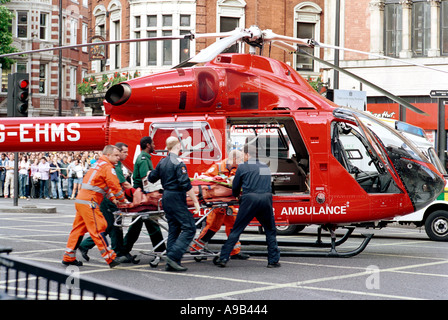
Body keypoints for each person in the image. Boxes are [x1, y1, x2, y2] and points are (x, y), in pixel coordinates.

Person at [214, 144, 280, 268]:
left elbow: (236, 186)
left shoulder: (243, 167)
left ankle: (223, 258)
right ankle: (273, 260)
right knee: (270, 230)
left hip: (249, 199)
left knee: (237, 229)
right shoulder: (265, 166)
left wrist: (236, 196)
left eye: (243, 155)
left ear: (247, 155)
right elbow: (269, 185)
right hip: (266, 198)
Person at [62, 145, 127, 268]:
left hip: (82, 201)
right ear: (108, 155)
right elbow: (115, 186)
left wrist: (113, 199)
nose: (118, 158)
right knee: (98, 228)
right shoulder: (108, 167)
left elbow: (103, 187)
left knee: (78, 230)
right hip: (90, 202)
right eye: (116, 155)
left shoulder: (98, 165)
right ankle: (110, 258)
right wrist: (122, 200)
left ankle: (68, 257)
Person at [78, 142, 137, 264]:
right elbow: (119, 185)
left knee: (114, 226)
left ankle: (119, 252)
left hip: (106, 199)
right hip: (104, 200)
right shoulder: (111, 166)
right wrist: (132, 197)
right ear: (117, 152)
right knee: (109, 226)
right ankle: (90, 247)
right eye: (123, 152)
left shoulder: (114, 164)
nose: (126, 155)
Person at [148, 136, 201, 271]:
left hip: (166, 197)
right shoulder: (178, 162)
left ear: (167, 147)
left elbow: (152, 178)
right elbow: (185, 184)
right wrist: (196, 202)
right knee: (189, 228)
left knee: (174, 229)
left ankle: (172, 263)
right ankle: (173, 256)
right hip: (177, 197)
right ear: (178, 146)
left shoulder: (162, 162)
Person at [190, 150, 249, 260]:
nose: (242, 162)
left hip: (228, 202)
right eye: (240, 159)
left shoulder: (238, 169)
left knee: (233, 226)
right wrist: (218, 180)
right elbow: (203, 178)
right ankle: (196, 249)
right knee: (212, 227)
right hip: (217, 203)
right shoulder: (218, 167)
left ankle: (234, 251)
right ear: (234, 159)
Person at [122, 136, 166, 260]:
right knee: (152, 223)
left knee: (137, 225)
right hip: (143, 197)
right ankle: (160, 250)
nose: (155, 146)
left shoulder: (144, 158)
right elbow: (146, 181)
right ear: (147, 145)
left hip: (140, 196)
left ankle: (125, 250)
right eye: (153, 144)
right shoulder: (143, 159)